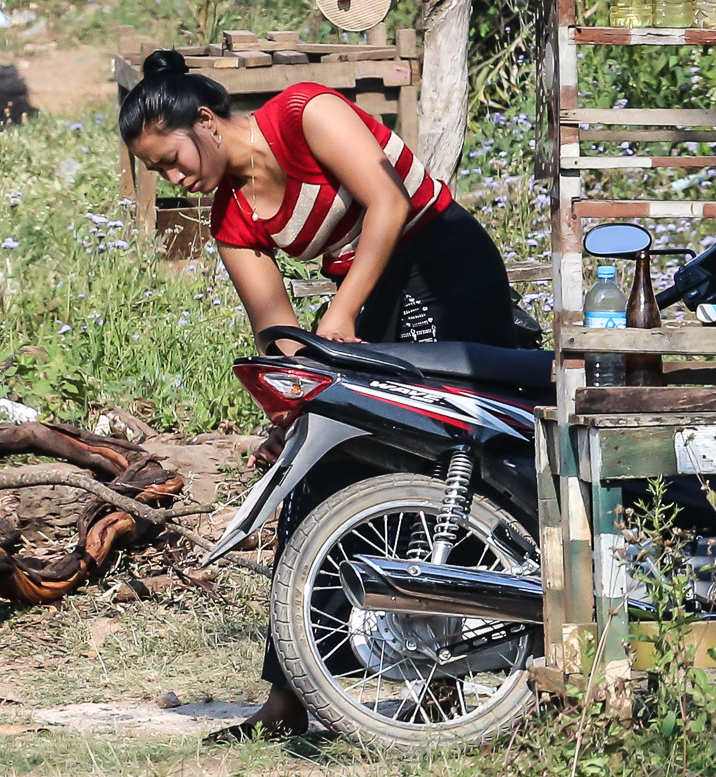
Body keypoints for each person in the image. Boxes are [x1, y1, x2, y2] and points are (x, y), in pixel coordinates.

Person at [120, 49, 519, 741]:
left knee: (445, 463)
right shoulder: (232, 219)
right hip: (376, 296)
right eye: (159, 172)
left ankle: (453, 680)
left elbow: (389, 203)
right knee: (316, 470)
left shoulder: (307, 112)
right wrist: (294, 411)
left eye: (173, 159)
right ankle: (288, 699)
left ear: (207, 121)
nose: (175, 178)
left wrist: (339, 316)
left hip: (445, 263)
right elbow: (278, 332)